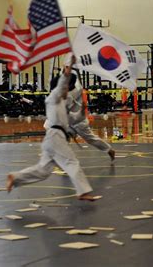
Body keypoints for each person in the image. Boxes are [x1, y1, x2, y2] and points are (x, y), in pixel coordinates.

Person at [6, 55, 98, 201]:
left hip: (53, 138)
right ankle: (83, 192)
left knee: (43, 171)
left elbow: (74, 119)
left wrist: (82, 111)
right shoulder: (53, 98)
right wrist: (67, 69)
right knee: (71, 162)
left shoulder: (62, 104)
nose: (68, 90)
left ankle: (15, 177)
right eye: (66, 87)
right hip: (56, 137)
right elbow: (61, 85)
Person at [66, 73, 115, 162]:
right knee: (64, 137)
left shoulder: (72, 93)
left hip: (79, 122)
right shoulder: (74, 89)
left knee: (90, 139)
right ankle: (66, 159)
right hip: (70, 121)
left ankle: (109, 150)